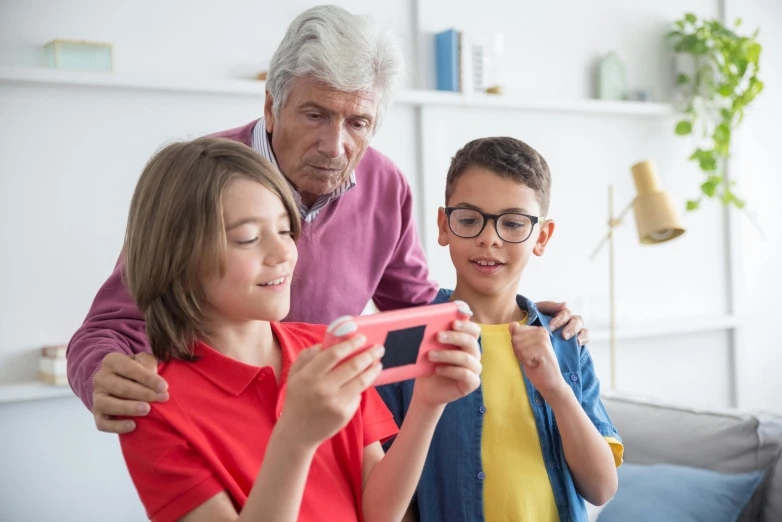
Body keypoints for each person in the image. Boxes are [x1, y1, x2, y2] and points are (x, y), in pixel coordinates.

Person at [66, 5, 589, 434]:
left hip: (329, 428)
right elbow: (109, 328)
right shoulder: (198, 177)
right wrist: (101, 376)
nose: (335, 145)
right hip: (216, 431)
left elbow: (414, 310)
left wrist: (503, 311)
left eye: (357, 121)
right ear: (272, 106)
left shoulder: (386, 184)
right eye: (315, 114)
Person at [119, 136, 483, 521]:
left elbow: (380, 513)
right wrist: (296, 437)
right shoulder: (153, 403)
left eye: (284, 230)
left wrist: (428, 404)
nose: (282, 255)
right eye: (248, 238)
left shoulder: (326, 348)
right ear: (179, 256)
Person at [378, 137, 623, 522]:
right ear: (444, 226)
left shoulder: (565, 342)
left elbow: (601, 487)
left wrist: (556, 390)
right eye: (469, 219)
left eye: (512, 222)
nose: (489, 238)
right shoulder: (406, 340)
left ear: (541, 236)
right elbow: (385, 492)